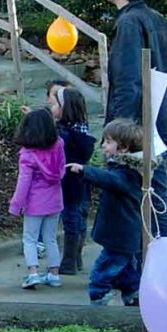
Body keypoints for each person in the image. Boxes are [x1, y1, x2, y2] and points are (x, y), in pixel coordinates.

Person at [105, 0, 167, 237]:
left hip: (144, 125)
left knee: (154, 200)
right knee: (153, 196)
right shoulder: (157, 19)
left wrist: (120, 131)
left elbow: (128, 81)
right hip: (165, 118)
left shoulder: (129, 22)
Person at [68, 118, 153, 306]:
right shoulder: (124, 168)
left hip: (121, 233)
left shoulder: (128, 173)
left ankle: (99, 296)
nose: (103, 146)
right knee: (126, 269)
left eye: (108, 142)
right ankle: (132, 295)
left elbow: (110, 180)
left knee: (105, 267)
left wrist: (85, 171)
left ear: (123, 148)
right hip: (123, 233)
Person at [9, 108, 66, 289]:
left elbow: (23, 182)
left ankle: (33, 273)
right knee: (50, 238)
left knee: (30, 239)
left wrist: (16, 205)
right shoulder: (59, 145)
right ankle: (54, 274)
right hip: (55, 200)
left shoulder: (27, 155)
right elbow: (62, 170)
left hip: (35, 202)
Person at [50, 87, 97, 275]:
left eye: (54, 104)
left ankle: (69, 262)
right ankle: (76, 257)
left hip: (68, 183)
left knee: (71, 219)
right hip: (82, 181)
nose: (50, 107)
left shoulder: (63, 134)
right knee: (80, 218)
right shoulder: (82, 131)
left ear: (64, 108)